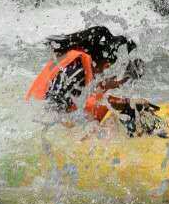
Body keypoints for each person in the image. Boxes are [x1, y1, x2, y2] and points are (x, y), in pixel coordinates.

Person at [26, 25, 156, 133]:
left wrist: (126, 103)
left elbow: (86, 103)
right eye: (125, 80)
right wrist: (93, 129)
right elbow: (51, 112)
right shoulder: (76, 67)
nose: (119, 86)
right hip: (35, 132)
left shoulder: (83, 67)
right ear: (111, 66)